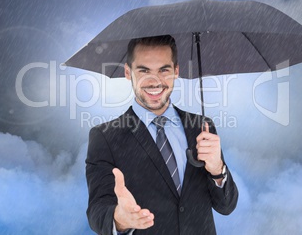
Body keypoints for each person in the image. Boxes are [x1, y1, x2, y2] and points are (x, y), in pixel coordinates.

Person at [86, 35, 238, 235]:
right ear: (127, 72)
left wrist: (217, 170)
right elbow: (97, 211)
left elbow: (226, 206)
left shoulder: (202, 128)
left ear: (176, 71)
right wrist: (120, 219)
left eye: (163, 70)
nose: (154, 81)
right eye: (144, 71)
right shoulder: (104, 137)